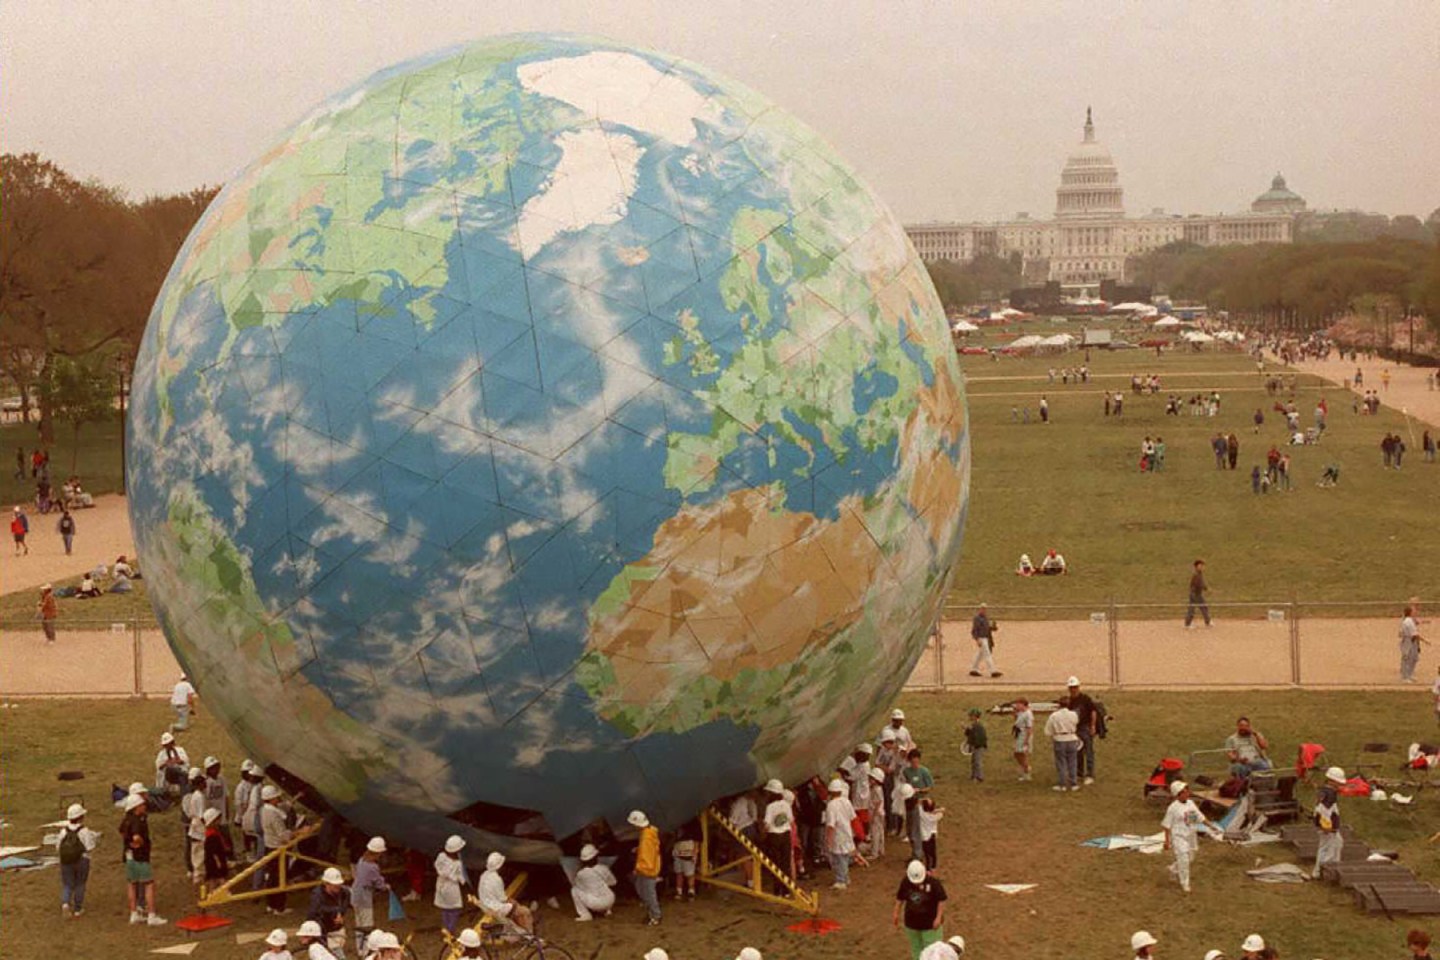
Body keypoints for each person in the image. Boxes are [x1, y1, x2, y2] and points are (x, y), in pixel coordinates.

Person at [120, 792, 166, 925]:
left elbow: (121, 832)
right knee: (149, 884)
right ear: (136, 807)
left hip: (129, 856)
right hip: (140, 856)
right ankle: (151, 915)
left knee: (132, 884)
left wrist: (128, 842)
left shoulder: (126, 820)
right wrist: (140, 843)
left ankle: (134, 913)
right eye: (141, 804)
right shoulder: (137, 821)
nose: (144, 806)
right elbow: (136, 837)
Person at [1161, 780, 1213, 893]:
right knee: (1184, 860)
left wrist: (1211, 826)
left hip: (1190, 835)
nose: (1187, 793)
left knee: (1190, 858)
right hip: (1178, 836)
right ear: (1178, 794)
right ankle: (1185, 883)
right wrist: (1167, 841)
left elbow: (1199, 816)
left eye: (1187, 790)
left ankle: (1173, 869)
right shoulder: (1173, 808)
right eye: (1184, 791)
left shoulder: (1190, 803)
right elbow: (1166, 825)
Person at [893, 859, 948, 960]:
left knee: (933, 950)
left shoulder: (933, 883)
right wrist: (896, 912)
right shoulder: (905, 882)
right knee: (916, 948)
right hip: (912, 923)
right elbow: (900, 898)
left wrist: (938, 917)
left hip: (930, 924)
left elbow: (941, 899)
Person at [56, 802, 99, 917]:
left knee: (67, 884)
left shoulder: (63, 831)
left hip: (66, 861)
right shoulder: (84, 831)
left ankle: (65, 903)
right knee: (80, 883)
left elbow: (58, 847)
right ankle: (78, 909)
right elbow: (90, 847)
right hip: (82, 860)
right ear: (81, 817)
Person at [351, 836, 391, 950]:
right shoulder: (373, 867)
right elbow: (379, 883)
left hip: (355, 895)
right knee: (367, 925)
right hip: (364, 898)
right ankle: (366, 950)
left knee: (359, 924)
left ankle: (360, 948)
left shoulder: (361, 860)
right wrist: (386, 886)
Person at [260, 784, 293, 914]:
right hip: (279, 849)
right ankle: (279, 907)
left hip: (269, 847)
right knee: (280, 878)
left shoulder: (264, 810)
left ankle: (271, 904)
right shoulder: (273, 814)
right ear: (272, 798)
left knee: (272, 878)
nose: (278, 799)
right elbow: (283, 835)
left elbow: (283, 807)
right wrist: (298, 832)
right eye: (276, 797)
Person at [627, 811, 662, 926]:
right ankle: (652, 913)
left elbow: (646, 857)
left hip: (647, 870)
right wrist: (639, 849)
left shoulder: (646, 836)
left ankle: (655, 916)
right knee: (643, 890)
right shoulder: (650, 832)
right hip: (650, 868)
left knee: (648, 893)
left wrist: (638, 868)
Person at [307, 867, 351, 957]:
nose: (337, 887)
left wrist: (340, 915)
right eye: (334, 885)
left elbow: (343, 907)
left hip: (336, 929)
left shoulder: (345, 893)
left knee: (336, 952)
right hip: (321, 929)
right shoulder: (317, 895)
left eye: (338, 884)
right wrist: (335, 910)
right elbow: (314, 912)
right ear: (326, 884)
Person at [823, 777, 858, 889]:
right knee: (844, 857)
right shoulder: (846, 802)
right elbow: (853, 817)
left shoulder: (831, 805)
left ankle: (841, 880)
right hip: (847, 832)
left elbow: (831, 825)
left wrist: (828, 839)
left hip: (837, 835)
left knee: (838, 858)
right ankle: (845, 877)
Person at [760, 779, 794, 892]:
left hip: (774, 836)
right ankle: (786, 889)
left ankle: (777, 889)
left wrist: (762, 834)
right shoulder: (786, 804)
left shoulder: (770, 806)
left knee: (775, 864)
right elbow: (791, 819)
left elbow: (767, 824)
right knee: (786, 863)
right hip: (786, 835)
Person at [1314, 766, 1346, 878]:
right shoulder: (1330, 794)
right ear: (1332, 781)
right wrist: (1326, 825)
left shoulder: (1324, 791)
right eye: (1338, 782)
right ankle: (1323, 872)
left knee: (1337, 843)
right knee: (1329, 848)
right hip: (1328, 826)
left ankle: (1323, 870)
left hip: (1326, 824)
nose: (1339, 784)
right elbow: (1324, 810)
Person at [571, 842, 617, 920]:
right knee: (606, 885)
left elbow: (579, 887)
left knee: (574, 890)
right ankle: (607, 910)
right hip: (610, 900)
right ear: (596, 857)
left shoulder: (580, 874)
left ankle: (585, 915)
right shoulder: (604, 868)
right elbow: (613, 883)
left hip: (595, 904)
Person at [1044, 696, 1081, 792]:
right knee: (1073, 762)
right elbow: (1076, 723)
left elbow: (1048, 730)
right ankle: (1073, 783)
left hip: (1060, 739)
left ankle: (1062, 784)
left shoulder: (1054, 716)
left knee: (1061, 762)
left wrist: (1053, 734)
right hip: (1072, 738)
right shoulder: (1073, 714)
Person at [1067, 676, 1098, 784]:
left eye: (1075, 687)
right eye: (1071, 687)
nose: (1073, 689)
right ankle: (1079, 773)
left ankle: (1090, 774)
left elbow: (1093, 712)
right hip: (1074, 729)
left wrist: (1093, 726)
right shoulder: (1069, 701)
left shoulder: (1085, 699)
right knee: (1077, 752)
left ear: (1078, 687)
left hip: (1085, 727)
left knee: (1088, 751)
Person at [434, 835, 467, 933]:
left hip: (440, 885)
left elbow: (437, 866)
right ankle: (450, 929)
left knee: (445, 908)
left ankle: (446, 927)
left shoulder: (441, 856)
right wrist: (462, 880)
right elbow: (459, 876)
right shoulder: (457, 863)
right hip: (451, 887)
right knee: (454, 909)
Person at [201, 808, 230, 895]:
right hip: (215, 861)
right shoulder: (212, 835)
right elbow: (212, 850)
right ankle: (225, 892)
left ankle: (211, 893)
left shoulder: (212, 833)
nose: (219, 822)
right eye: (217, 820)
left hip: (212, 861)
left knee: (213, 878)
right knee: (220, 877)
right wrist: (218, 861)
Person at [968, 604, 1001, 678]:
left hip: (986, 638)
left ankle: (974, 669)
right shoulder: (977, 618)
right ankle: (993, 671)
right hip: (981, 638)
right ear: (979, 609)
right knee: (987, 654)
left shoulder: (986, 618)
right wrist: (977, 639)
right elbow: (974, 630)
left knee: (980, 654)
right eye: (982, 608)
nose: (984, 610)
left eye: (985, 609)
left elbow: (988, 628)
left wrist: (993, 627)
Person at [671, 822, 699, 898]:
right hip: (677, 849)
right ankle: (679, 891)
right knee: (678, 872)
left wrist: (695, 852)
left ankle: (691, 891)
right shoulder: (676, 823)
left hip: (688, 849)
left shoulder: (693, 822)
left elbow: (697, 837)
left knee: (689, 873)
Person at [1401, 606, 1428, 683]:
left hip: (1412, 641)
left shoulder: (1409, 621)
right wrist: (1425, 640)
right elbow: (1414, 634)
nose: (1414, 612)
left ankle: (1409, 675)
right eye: (1413, 611)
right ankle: (1405, 677)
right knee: (1408, 659)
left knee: (1414, 658)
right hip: (1409, 641)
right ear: (1410, 613)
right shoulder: (1408, 622)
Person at [916, 798, 943, 870]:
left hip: (924, 836)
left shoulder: (921, 813)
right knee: (933, 851)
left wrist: (923, 800)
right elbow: (941, 812)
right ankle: (933, 865)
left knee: (927, 853)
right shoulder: (936, 816)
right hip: (932, 835)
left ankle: (928, 867)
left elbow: (918, 803)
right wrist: (937, 810)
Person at [1185, 559, 1211, 629]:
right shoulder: (1196, 575)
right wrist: (1205, 588)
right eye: (1200, 565)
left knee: (1204, 607)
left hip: (1198, 594)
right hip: (1195, 594)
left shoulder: (1200, 574)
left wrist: (1206, 588)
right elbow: (1198, 584)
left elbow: (1202, 583)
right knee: (1192, 609)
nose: (1202, 567)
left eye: (1202, 565)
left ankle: (1208, 622)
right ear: (1196, 567)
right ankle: (1188, 624)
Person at [1012, 697, 1034, 781]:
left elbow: (1029, 728)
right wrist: (1015, 711)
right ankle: (1024, 768)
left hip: (1024, 735)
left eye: (1018, 704)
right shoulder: (1021, 712)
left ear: (1023, 704)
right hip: (1019, 734)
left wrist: (1026, 740)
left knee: (1022, 754)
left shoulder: (1028, 714)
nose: (1017, 706)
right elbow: (1016, 720)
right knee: (1016, 753)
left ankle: (1026, 770)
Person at [963, 708, 987, 782]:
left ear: (975, 716)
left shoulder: (978, 726)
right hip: (975, 746)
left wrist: (976, 745)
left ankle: (979, 776)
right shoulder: (973, 725)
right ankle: (974, 775)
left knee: (977, 761)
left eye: (971, 715)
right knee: (974, 761)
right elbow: (970, 734)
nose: (970, 717)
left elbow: (978, 736)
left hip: (978, 746)